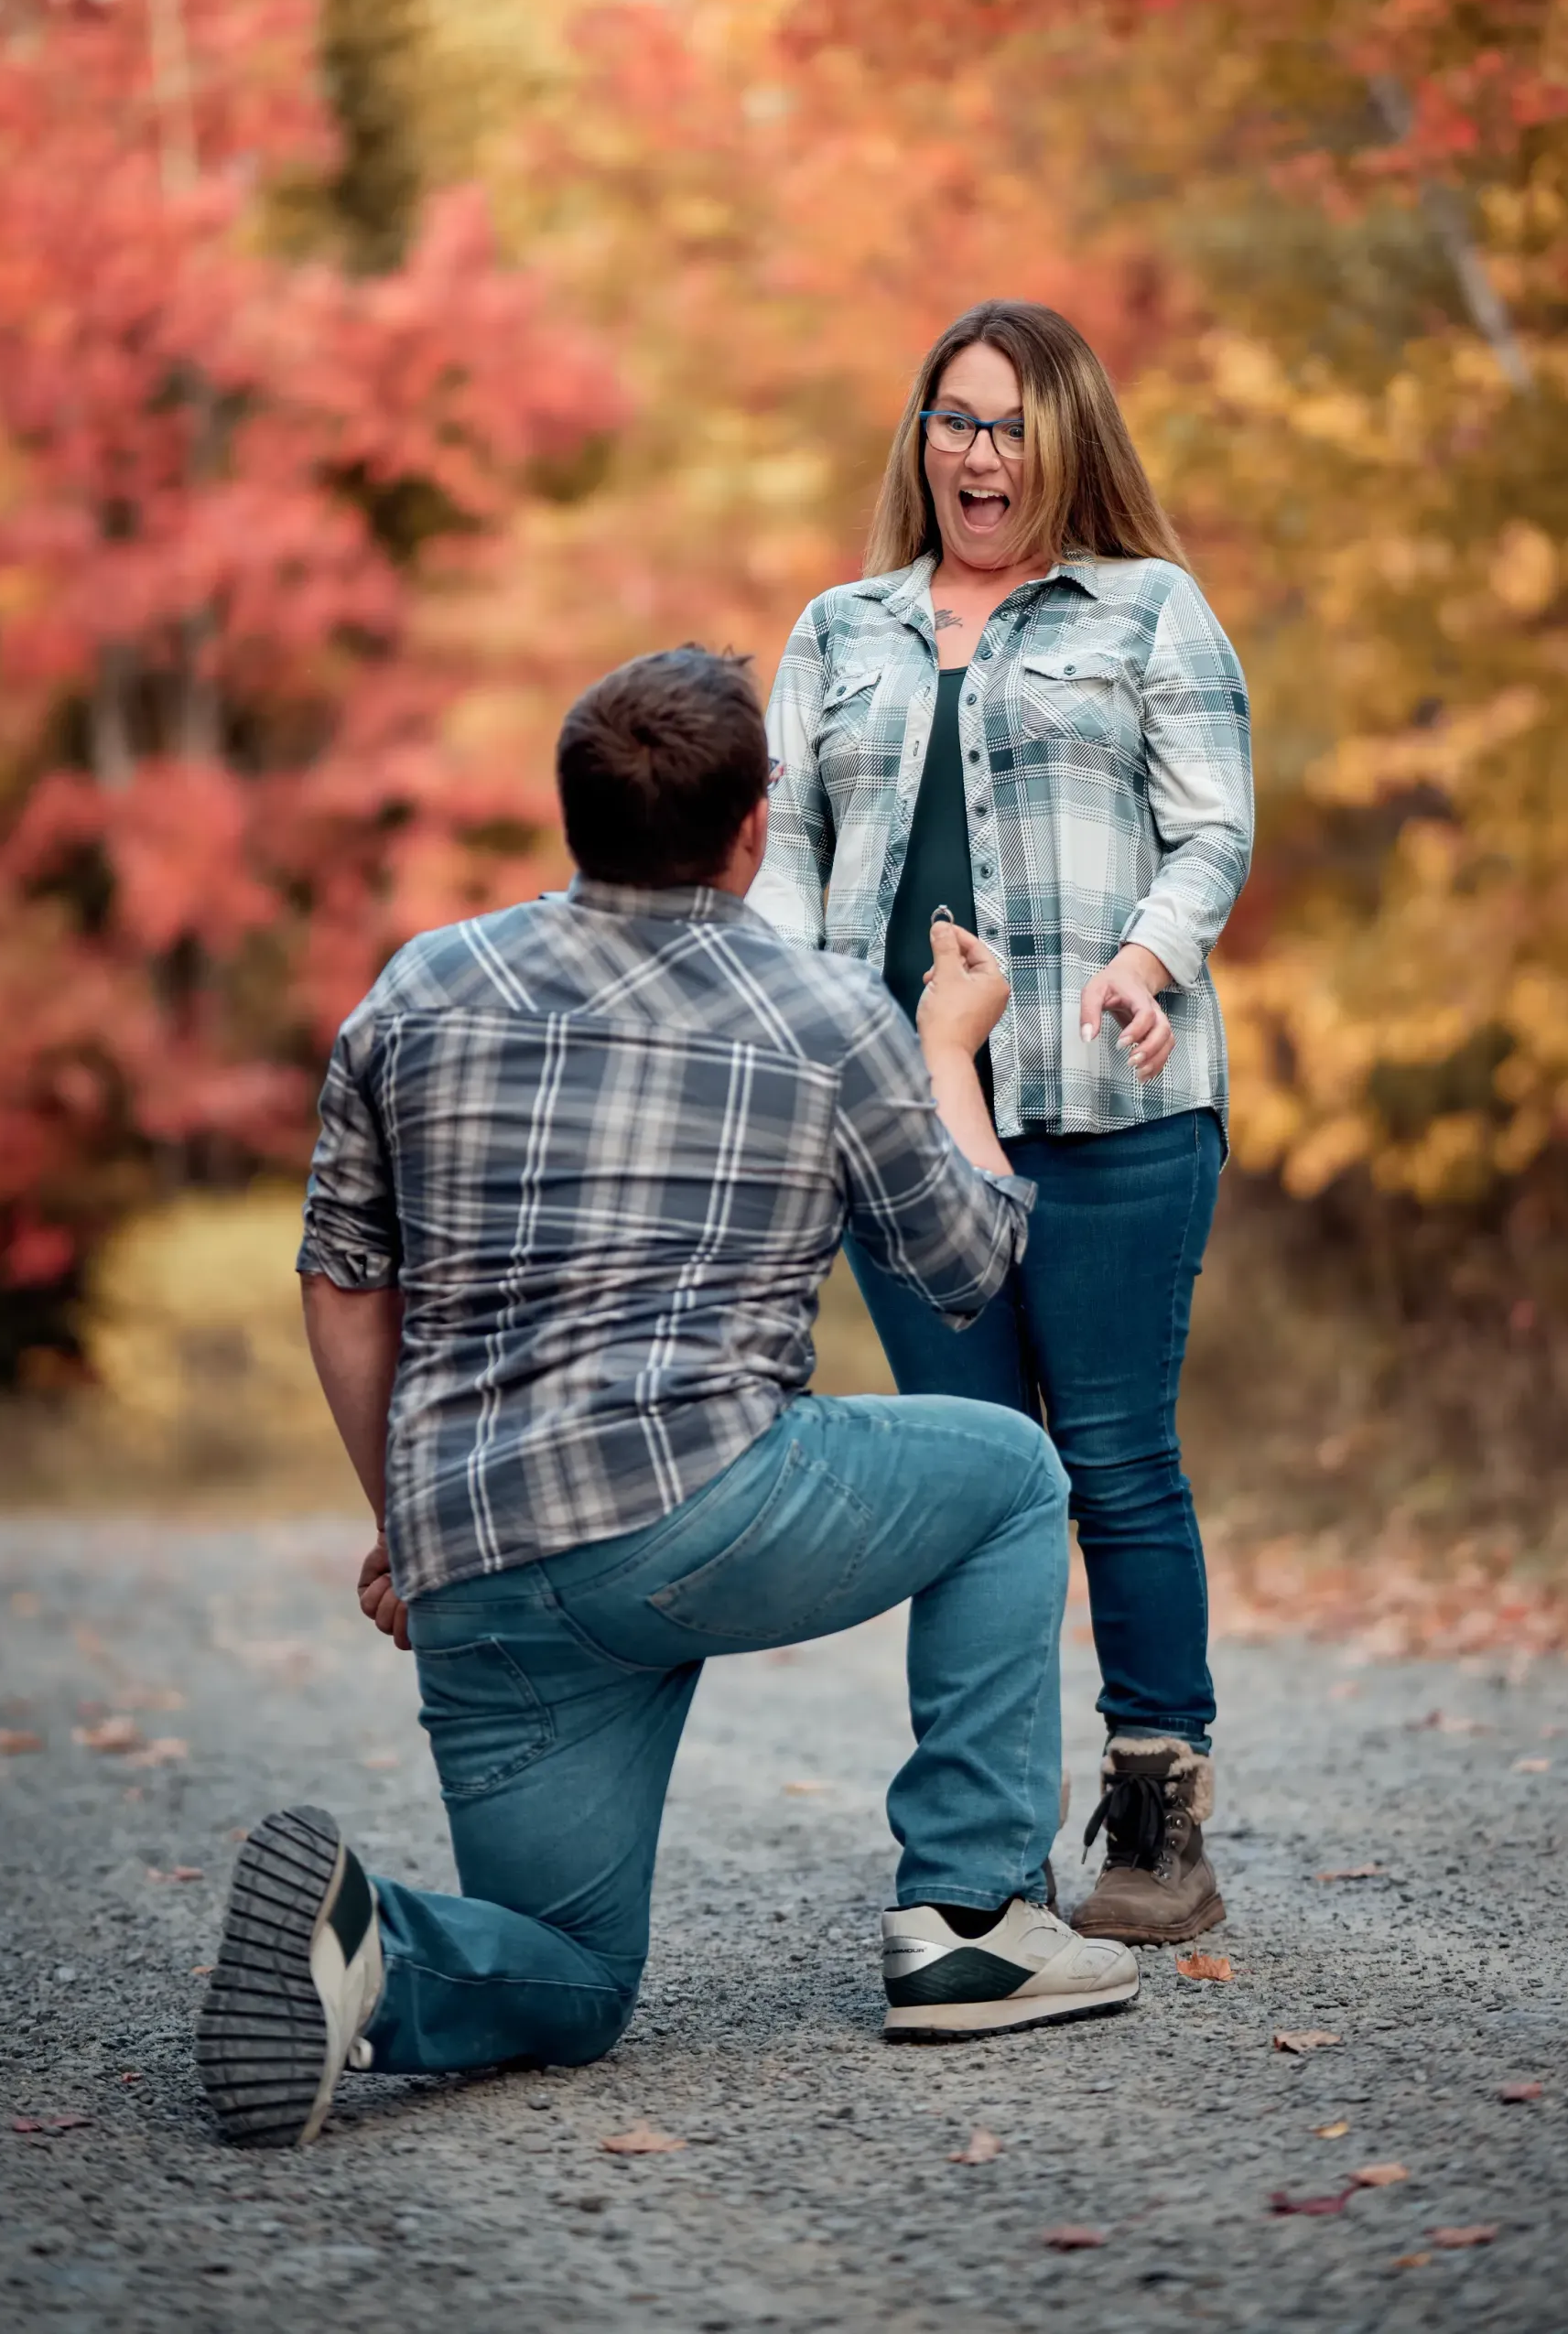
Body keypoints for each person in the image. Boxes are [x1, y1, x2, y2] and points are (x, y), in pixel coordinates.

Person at [197, 648, 1138, 2152]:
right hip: (706, 1505)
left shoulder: (419, 984)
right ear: (755, 824)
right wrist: (949, 1049)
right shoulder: (823, 1009)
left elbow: (339, 1279)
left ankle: (368, 1949)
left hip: (484, 1561)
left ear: (574, 813)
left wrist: (408, 1522)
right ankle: (971, 1916)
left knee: (575, 1979)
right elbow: (966, 1264)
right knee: (1013, 1473)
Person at [752, 302, 1254, 1944]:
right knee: (974, 1474)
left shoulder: (1151, 611)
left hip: (1115, 1103)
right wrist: (770, 1024)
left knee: (1111, 1456)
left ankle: (1156, 1814)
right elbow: (793, 868)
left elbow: (1213, 831)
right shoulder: (839, 630)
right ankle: (980, 1856)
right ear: (923, 440)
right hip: (899, 1126)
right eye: (957, 422)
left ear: (1069, 442)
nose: (982, 454)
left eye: (1013, 425)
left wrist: (1143, 956)